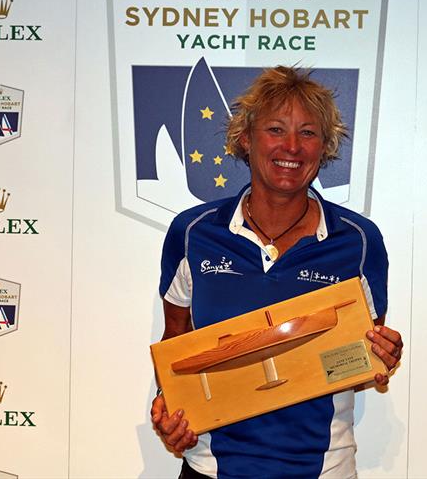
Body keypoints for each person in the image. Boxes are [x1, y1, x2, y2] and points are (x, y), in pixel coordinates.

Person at [151, 66, 403, 479]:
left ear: (324, 148)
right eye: (275, 129)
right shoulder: (193, 233)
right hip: (212, 470)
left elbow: (362, 355)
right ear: (246, 139)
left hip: (324, 469)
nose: (292, 147)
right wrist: (170, 406)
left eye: (308, 133)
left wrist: (383, 356)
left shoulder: (359, 241)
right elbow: (176, 340)